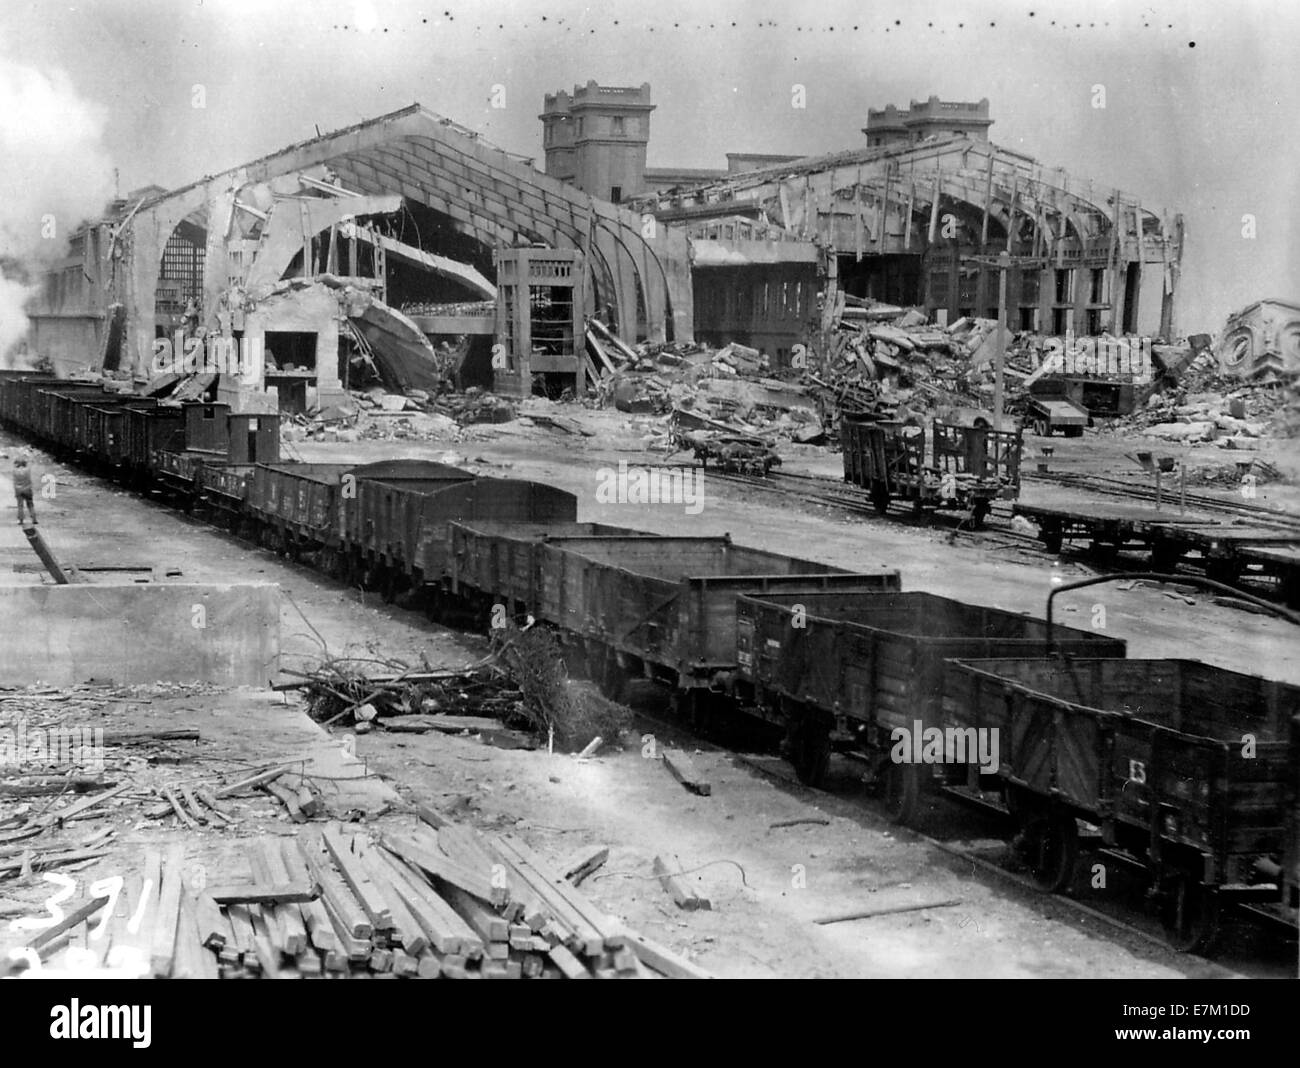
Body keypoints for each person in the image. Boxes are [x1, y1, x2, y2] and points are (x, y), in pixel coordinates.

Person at [13, 456, 36, 524]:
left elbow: (14, 480)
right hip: (27, 489)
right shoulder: (28, 470)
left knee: (20, 505)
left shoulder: (14, 470)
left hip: (18, 489)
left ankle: (21, 520)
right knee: (30, 504)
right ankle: (34, 518)